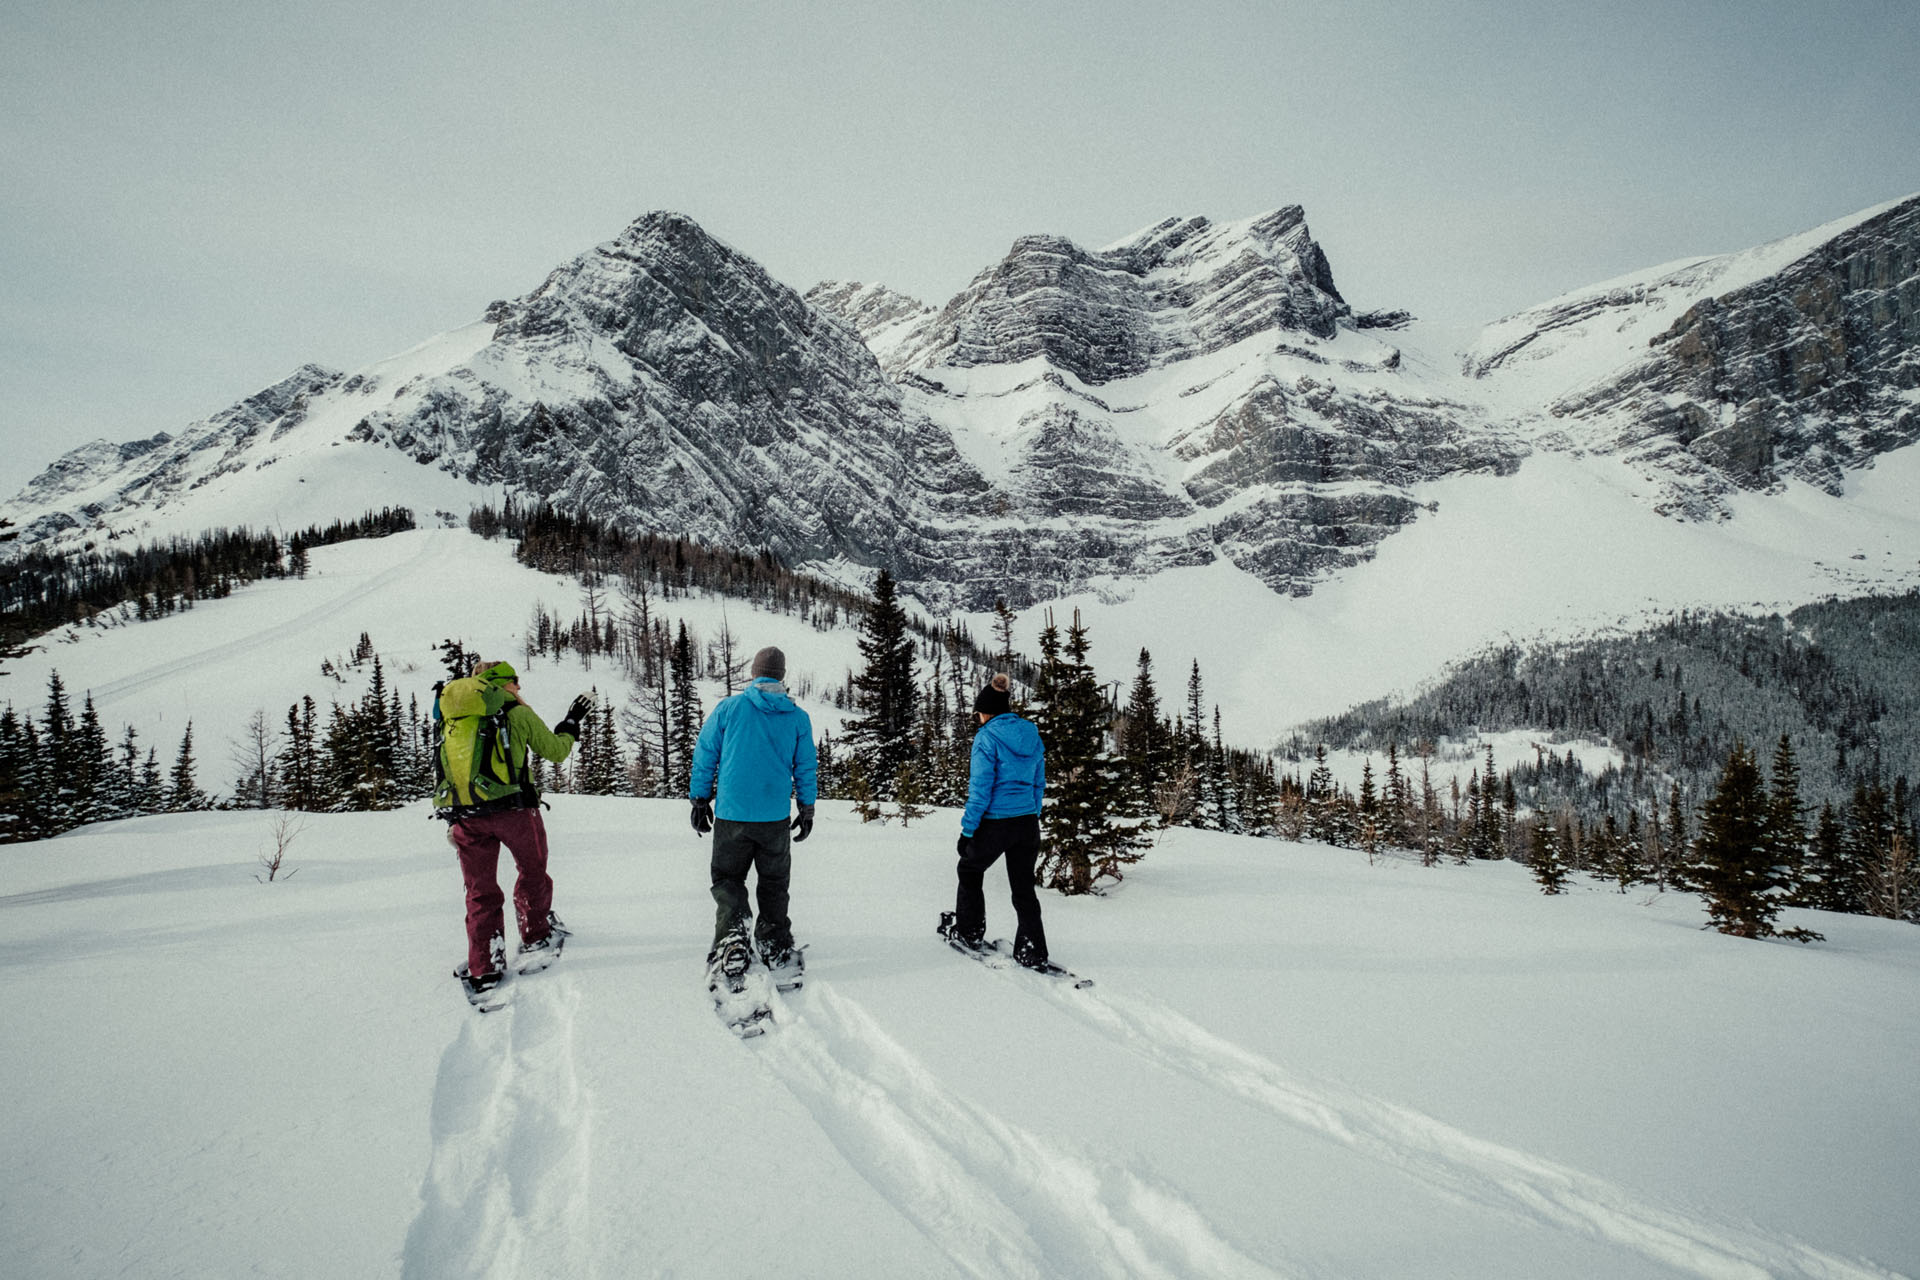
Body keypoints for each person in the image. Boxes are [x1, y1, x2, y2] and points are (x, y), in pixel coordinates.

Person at [440, 660, 590, 996]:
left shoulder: (455, 718)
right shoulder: (517, 714)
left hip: (467, 815)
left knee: (479, 891)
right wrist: (571, 722)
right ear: (499, 684)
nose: (519, 687)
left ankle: (485, 965)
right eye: (514, 681)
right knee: (532, 872)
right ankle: (535, 934)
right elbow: (555, 751)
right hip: (515, 811)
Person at [689, 645, 818, 981]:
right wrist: (806, 808)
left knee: (728, 879)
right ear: (781, 676)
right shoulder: (797, 717)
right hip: (773, 818)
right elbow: (805, 766)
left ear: (754, 673)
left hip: (732, 815)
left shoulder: (729, 709)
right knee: (774, 881)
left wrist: (700, 799)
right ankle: (774, 943)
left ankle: (732, 938)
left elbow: (705, 755)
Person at [943, 673, 1049, 966]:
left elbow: (980, 790)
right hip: (1027, 822)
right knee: (1023, 888)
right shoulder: (1031, 735)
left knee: (969, 869)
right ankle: (1033, 950)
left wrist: (968, 831)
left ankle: (969, 931)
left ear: (986, 712)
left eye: (978, 714)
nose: (977, 719)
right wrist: (1032, 812)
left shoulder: (987, 738)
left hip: (996, 822)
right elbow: (1039, 783)